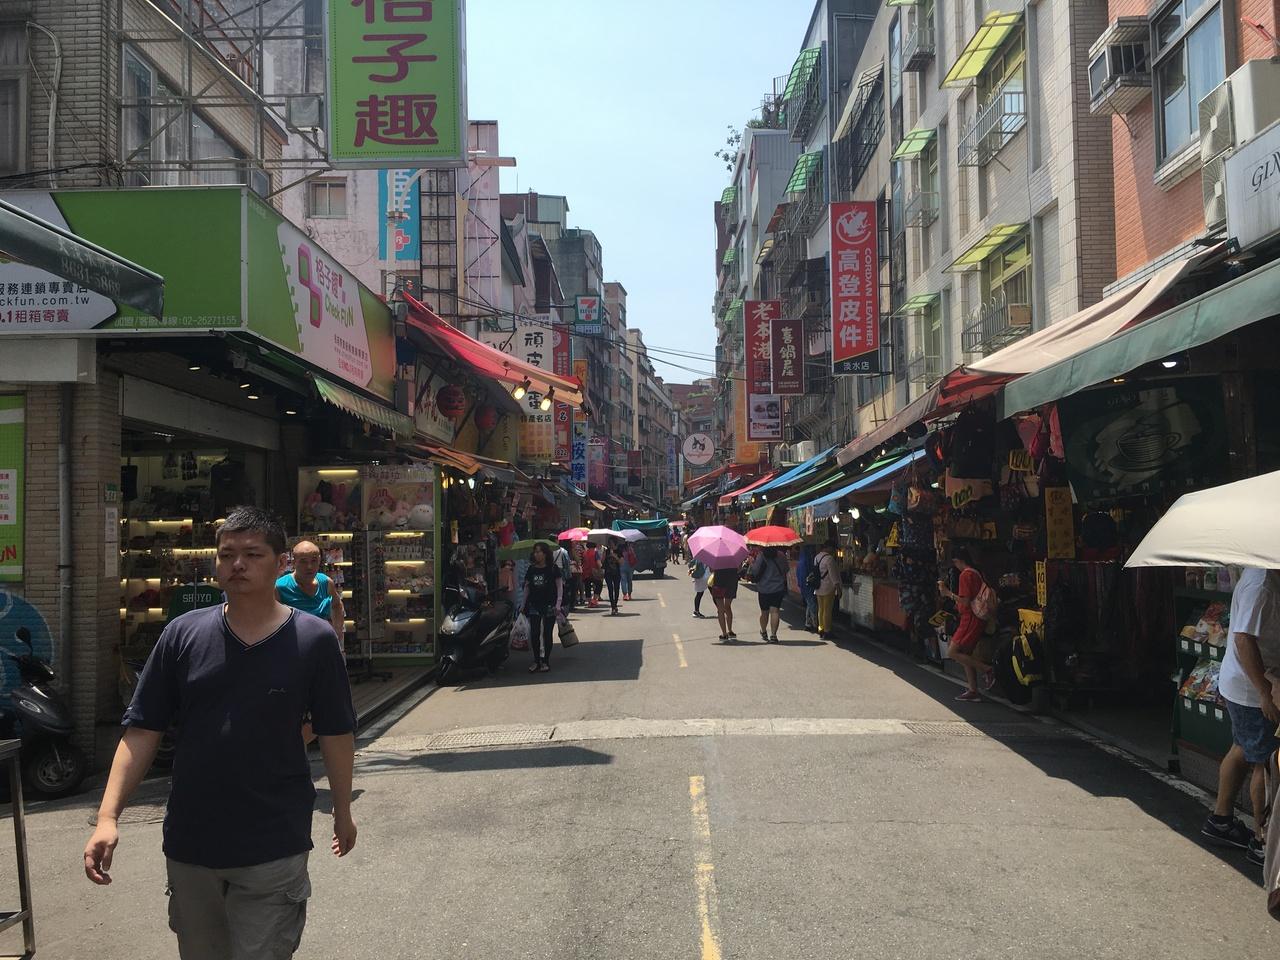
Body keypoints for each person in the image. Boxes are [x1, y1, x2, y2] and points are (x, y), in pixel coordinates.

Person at [84, 506, 357, 959]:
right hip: (192, 843)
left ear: (280, 562)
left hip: (275, 840)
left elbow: (336, 733)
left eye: (252, 554)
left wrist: (342, 811)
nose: (237, 564)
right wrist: (108, 817)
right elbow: (143, 729)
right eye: (227, 554)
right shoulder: (182, 635)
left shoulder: (313, 640)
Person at [1202, 567, 1280, 866]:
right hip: (1252, 689)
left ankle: (1220, 821)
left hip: (1247, 683)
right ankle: (1262, 842)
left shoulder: (1265, 575)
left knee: (1242, 748)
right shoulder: (1261, 585)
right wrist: (1264, 692)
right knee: (1266, 763)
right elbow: (1243, 640)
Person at [938, 547, 995, 702]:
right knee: (965, 654)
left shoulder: (966, 575)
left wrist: (947, 593)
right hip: (974, 618)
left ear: (958, 561)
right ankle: (973, 689)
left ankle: (988, 670)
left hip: (970, 618)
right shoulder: (976, 573)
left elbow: (965, 601)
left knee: (952, 652)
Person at [276, 539, 345, 639]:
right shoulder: (280, 587)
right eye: (303, 561)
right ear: (294, 562)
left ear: (319, 561)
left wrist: (337, 632)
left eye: (314, 560)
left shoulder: (325, 582)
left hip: (322, 643)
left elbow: (337, 605)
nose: (309, 566)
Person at [522, 542, 564, 673]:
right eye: (535, 552)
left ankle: (545, 661)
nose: (536, 554)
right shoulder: (531, 569)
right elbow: (527, 588)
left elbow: (559, 587)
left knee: (547, 633)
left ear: (545, 554)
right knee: (534, 633)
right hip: (534, 604)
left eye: (539, 551)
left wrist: (558, 604)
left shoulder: (553, 569)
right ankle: (536, 660)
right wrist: (523, 604)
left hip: (550, 605)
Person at [749, 546, 789, 644]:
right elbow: (786, 569)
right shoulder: (781, 555)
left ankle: (763, 631)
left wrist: (751, 563)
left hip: (763, 589)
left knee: (764, 612)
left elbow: (755, 571)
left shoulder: (761, 556)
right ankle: (773, 635)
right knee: (775, 611)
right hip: (778, 588)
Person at [814, 539, 841, 641]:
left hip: (818, 587)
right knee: (827, 610)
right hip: (828, 587)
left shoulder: (817, 557)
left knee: (820, 609)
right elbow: (834, 575)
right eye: (833, 548)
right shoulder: (829, 559)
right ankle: (827, 631)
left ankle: (821, 629)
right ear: (829, 548)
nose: (834, 551)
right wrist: (838, 588)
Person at [710, 561, 741, 642]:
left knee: (720, 610)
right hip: (731, 583)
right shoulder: (734, 557)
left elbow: (711, 570)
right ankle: (730, 631)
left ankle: (724, 634)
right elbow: (739, 569)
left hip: (719, 582)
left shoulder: (716, 557)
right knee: (728, 607)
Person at [796, 544, 818, 633]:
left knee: (809, 604)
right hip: (808, 585)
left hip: (803, 586)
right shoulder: (807, 562)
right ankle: (815, 624)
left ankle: (808, 624)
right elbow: (811, 573)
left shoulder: (800, 562)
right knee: (812, 605)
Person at [603, 543, 623, 614]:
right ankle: (613, 606)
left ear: (615, 544)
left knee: (616, 589)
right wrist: (604, 554)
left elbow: (621, 562)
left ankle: (615, 604)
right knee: (610, 589)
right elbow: (602, 561)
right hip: (608, 573)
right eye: (609, 543)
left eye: (611, 543)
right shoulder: (606, 551)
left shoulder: (619, 551)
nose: (610, 545)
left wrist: (614, 556)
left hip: (616, 573)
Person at [553, 540, 574, 607]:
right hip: (560, 571)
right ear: (557, 541)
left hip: (549, 572)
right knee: (560, 589)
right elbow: (566, 564)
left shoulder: (546, 551)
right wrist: (568, 576)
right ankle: (560, 605)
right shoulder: (562, 551)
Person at [581, 543, 602, 607]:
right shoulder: (595, 552)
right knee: (599, 584)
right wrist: (600, 568)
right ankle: (594, 600)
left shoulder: (584, 553)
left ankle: (589, 602)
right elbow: (599, 563)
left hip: (585, 572)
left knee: (587, 587)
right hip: (594, 572)